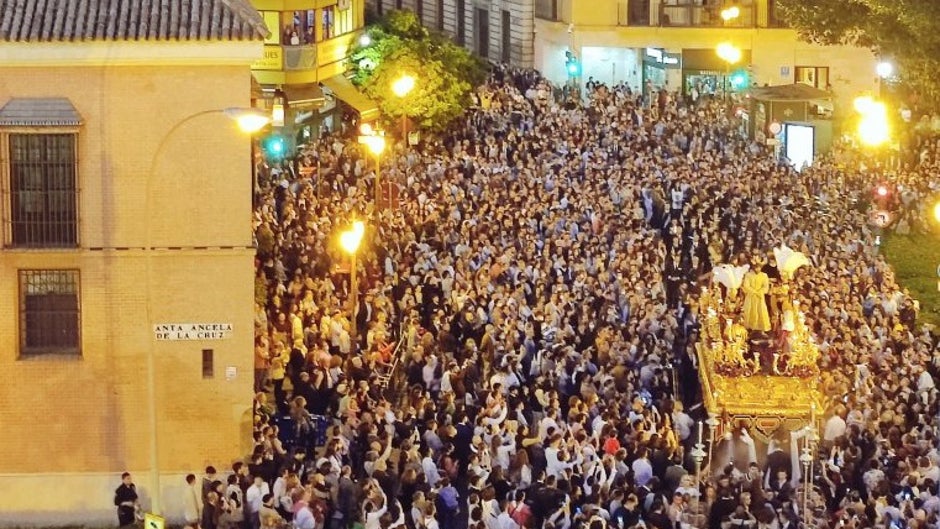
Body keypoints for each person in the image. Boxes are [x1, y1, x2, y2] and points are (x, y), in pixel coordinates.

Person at [741, 260, 771, 332]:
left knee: (761, 311)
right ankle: (750, 327)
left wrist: (759, 292)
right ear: (754, 268)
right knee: (750, 310)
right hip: (751, 296)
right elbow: (746, 286)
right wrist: (755, 292)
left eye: (759, 268)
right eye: (756, 268)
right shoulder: (748, 275)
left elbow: (766, 287)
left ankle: (761, 327)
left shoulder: (764, 275)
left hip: (760, 297)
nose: (757, 269)